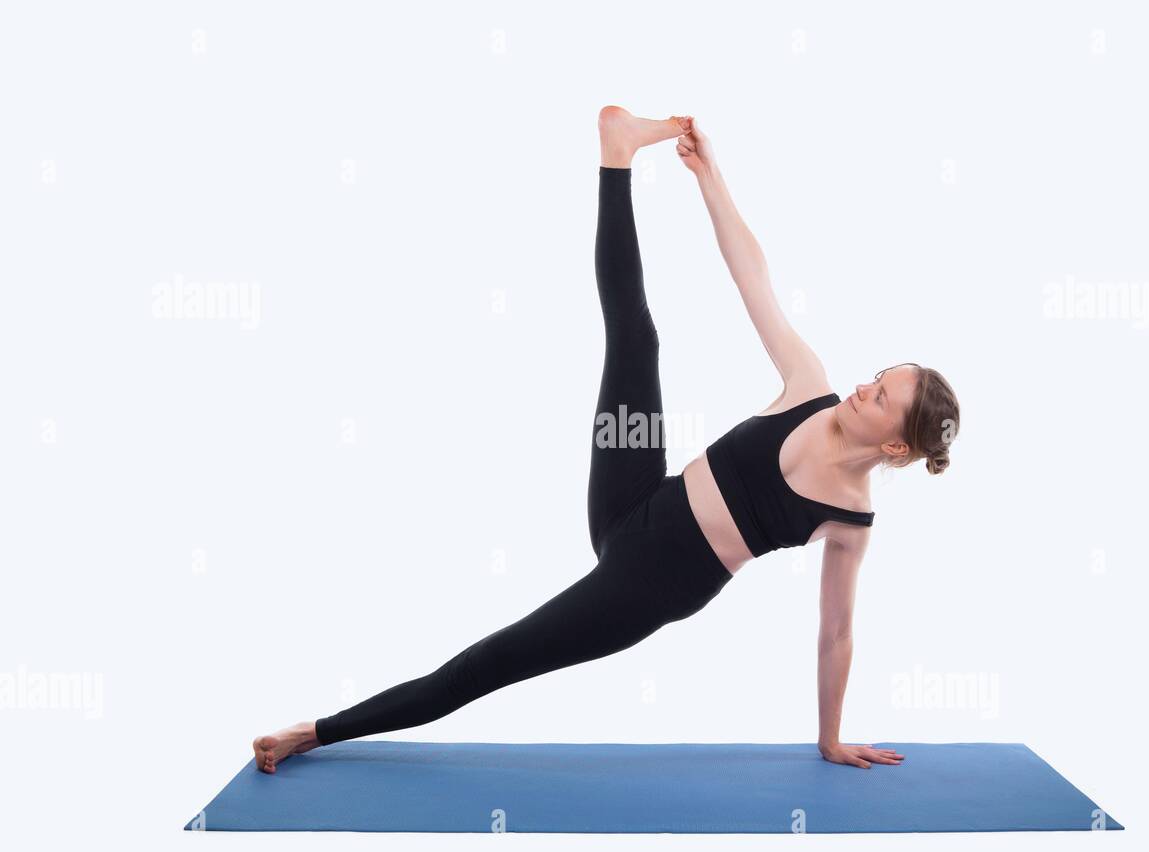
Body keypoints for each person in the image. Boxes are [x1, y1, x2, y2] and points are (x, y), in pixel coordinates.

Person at [253, 106, 960, 774]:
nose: (864, 387)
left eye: (880, 396)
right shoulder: (809, 384)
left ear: (896, 447)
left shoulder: (849, 518)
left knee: (486, 663)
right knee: (637, 335)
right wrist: (709, 174)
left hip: (644, 586)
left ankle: (312, 732)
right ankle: (616, 151)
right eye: (876, 376)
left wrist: (830, 737)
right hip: (635, 496)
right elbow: (753, 273)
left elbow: (836, 633)